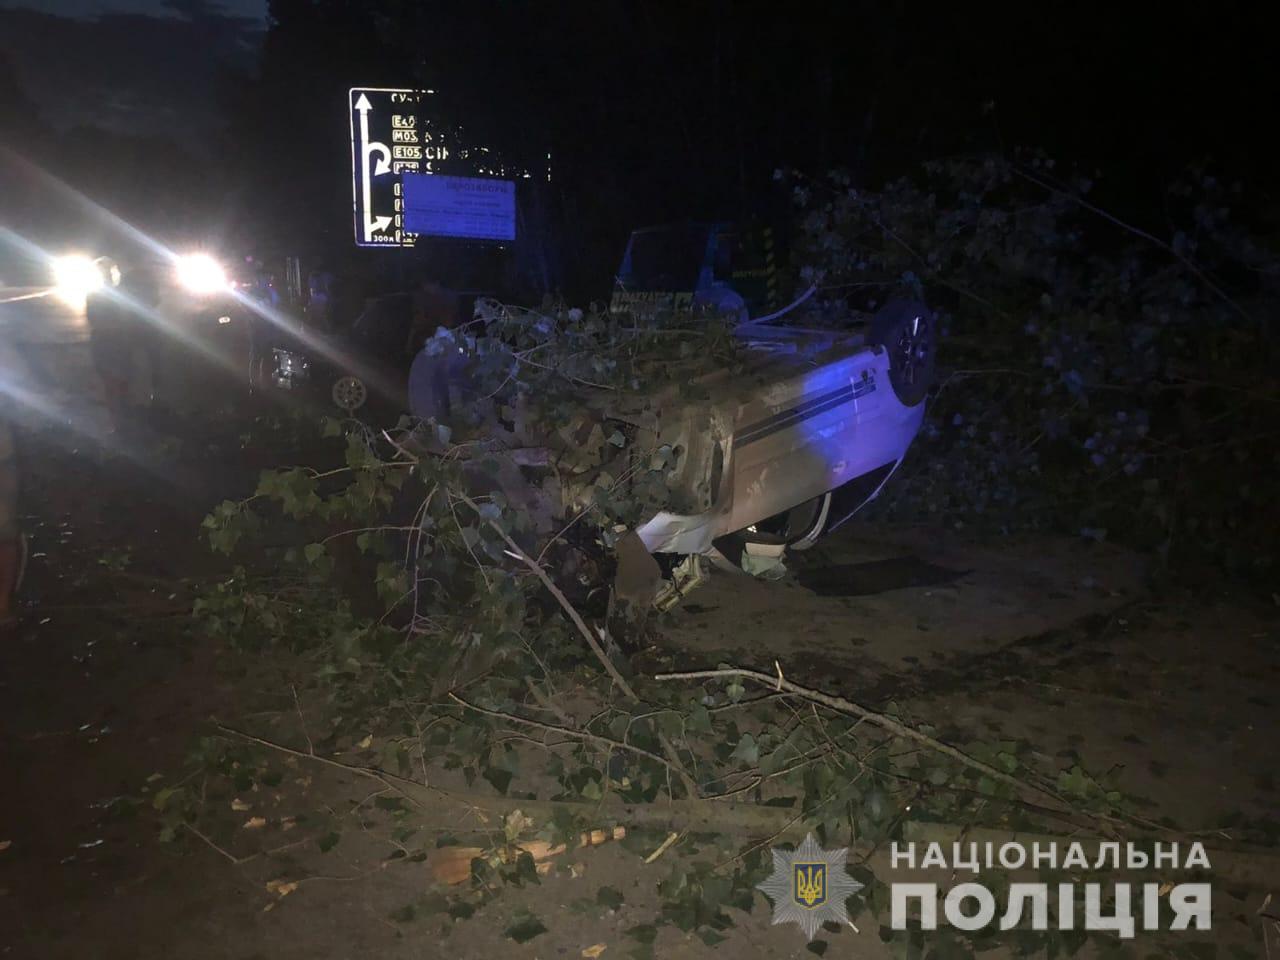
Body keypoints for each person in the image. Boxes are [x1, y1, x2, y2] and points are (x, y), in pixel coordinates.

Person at [85, 265, 160, 433]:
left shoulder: (112, 296)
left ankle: (127, 422)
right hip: (114, 345)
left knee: (123, 386)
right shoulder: (103, 297)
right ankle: (126, 423)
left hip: (118, 344)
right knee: (119, 386)